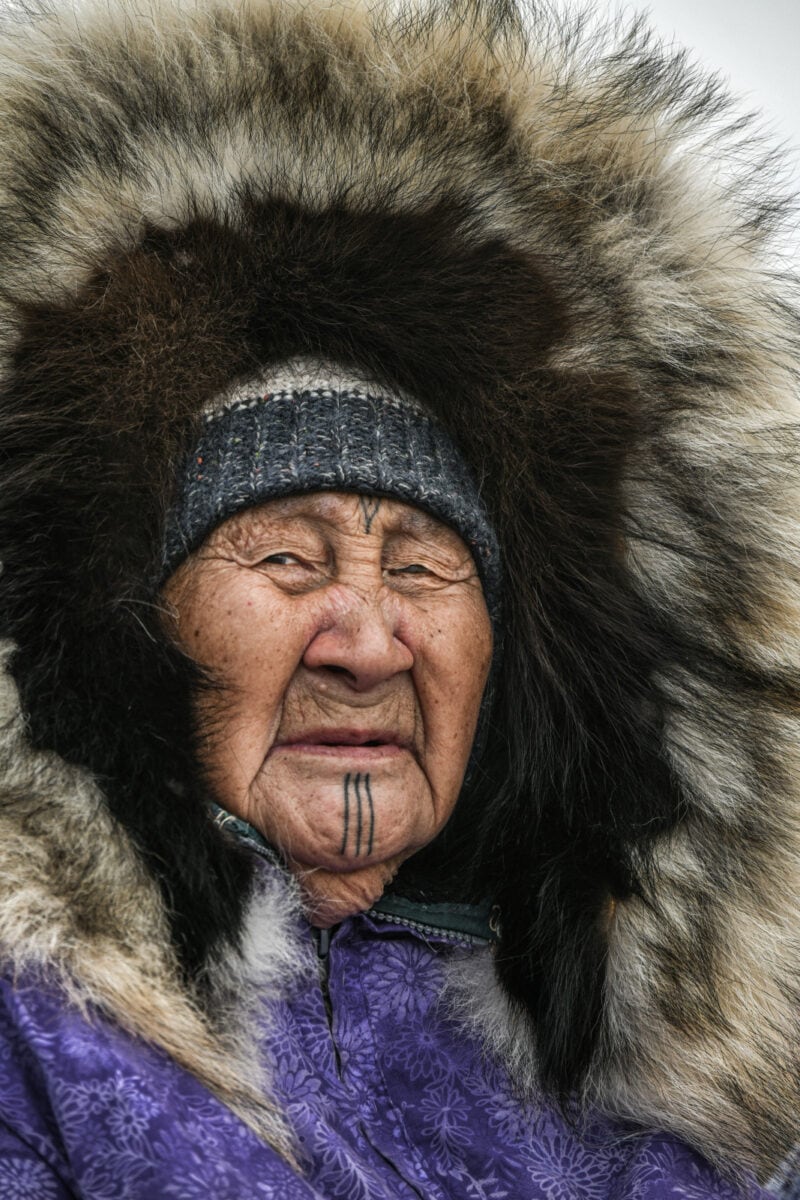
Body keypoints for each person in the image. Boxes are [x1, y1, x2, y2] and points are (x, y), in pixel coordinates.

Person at [0, 0, 797, 1195]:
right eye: (287, 560)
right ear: (131, 634)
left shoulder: (647, 1109)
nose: (368, 644)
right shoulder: (34, 1043)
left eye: (423, 570)